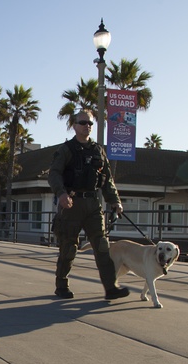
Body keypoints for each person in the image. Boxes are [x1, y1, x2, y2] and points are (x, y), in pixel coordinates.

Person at [48, 108, 130, 301]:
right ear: (74, 126)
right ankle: (62, 285)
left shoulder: (98, 151)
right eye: (83, 123)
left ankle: (111, 287)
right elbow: (54, 174)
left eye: (90, 123)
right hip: (71, 204)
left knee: (102, 246)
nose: (87, 127)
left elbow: (107, 180)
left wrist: (115, 201)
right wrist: (60, 193)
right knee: (68, 248)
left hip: (93, 204)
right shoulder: (66, 150)